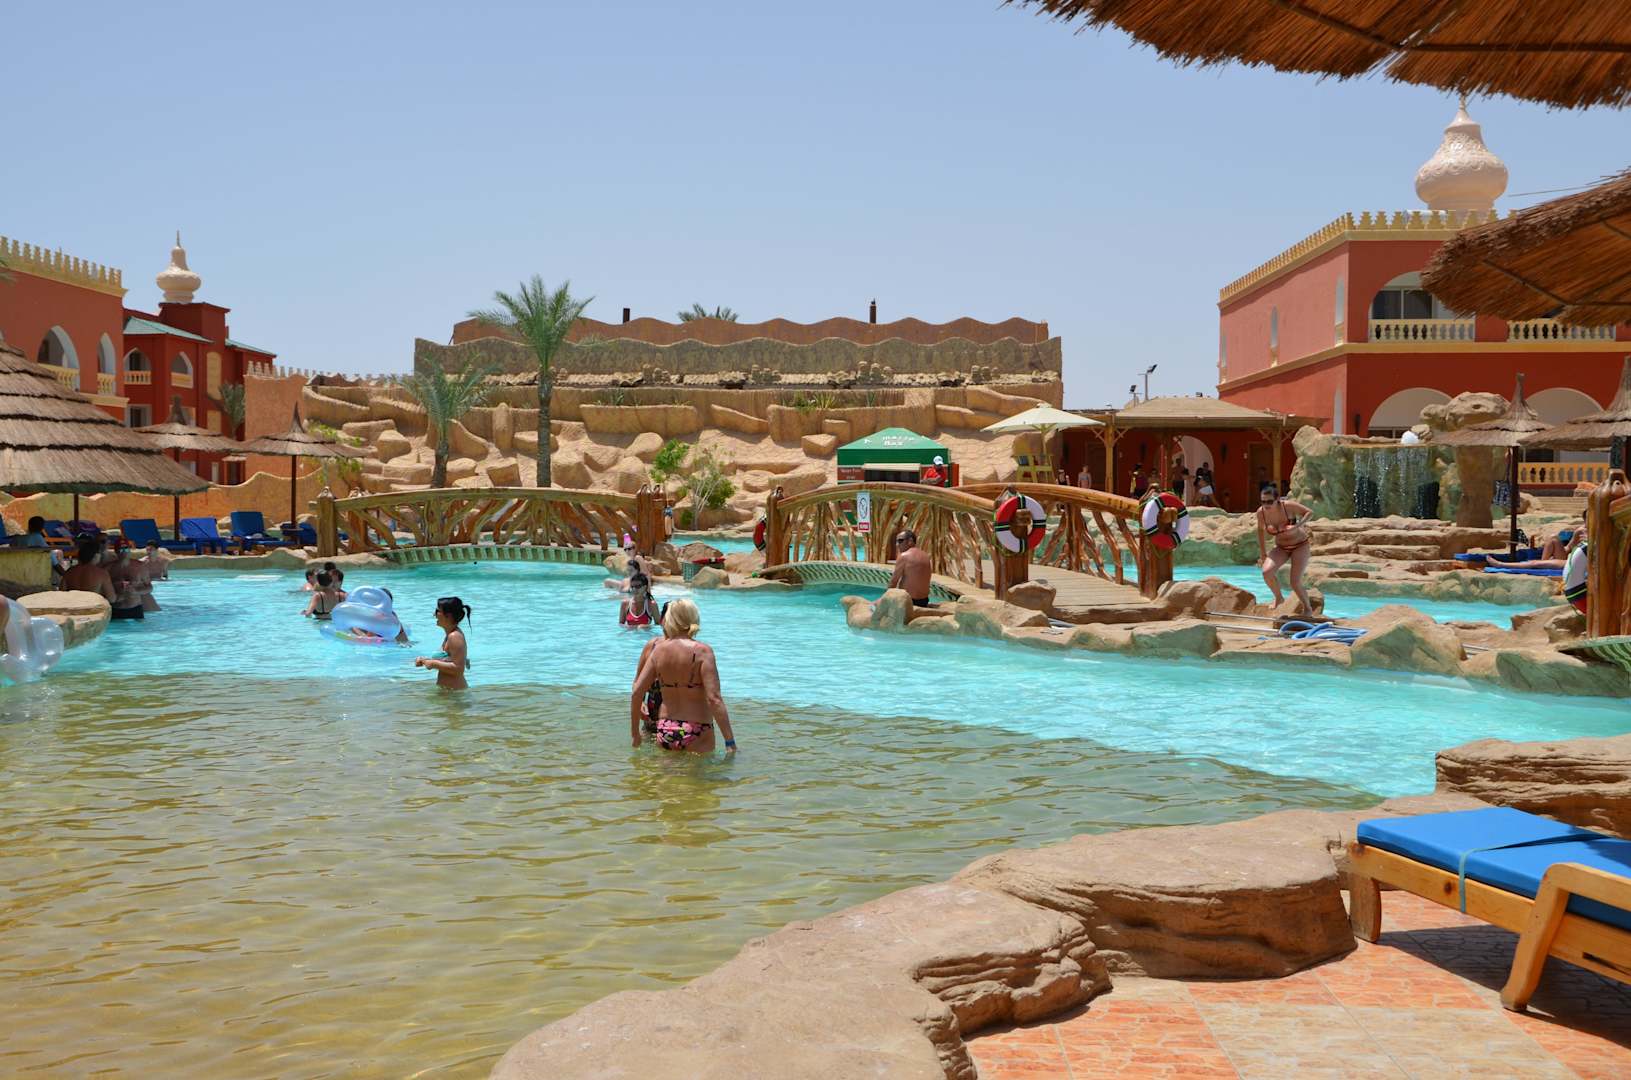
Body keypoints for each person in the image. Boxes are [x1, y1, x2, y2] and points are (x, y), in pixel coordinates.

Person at [629, 598, 734, 754]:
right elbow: (714, 699)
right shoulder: (703, 651)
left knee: (666, 770)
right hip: (697, 727)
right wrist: (729, 741)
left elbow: (637, 692)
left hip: (665, 728)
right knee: (700, 770)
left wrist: (635, 734)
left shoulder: (658, 651)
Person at [1257, 484, 1315, 616]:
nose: (1266, 505)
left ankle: (1308, 608)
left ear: (1277, 499)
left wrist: (1297, 526)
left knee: (1294, 582)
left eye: (1269, 501)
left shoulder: (1287, 506)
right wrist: (1263, 553)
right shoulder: (1261, 513)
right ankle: (1279, 597)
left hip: (1300, 545)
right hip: (1281, 547)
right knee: (1266, 572)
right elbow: (1260, 531)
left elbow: (1309, 512)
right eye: (1263, 501)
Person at [415, 596, 471, 690]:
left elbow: (458, 669)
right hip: (449, 692)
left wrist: (433, 663)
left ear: (448, 616)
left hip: (455, 694)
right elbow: (448, 661)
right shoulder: (449, 635)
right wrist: (425, 660)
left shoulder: (455, 636)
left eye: (437, 611)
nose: (434, 614)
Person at [61, 538, 116, 605]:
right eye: (99, 553)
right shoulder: (101, 573)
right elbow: (111, 599)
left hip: (73, 608)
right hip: (92, 609)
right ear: (96, 555)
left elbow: (61, 595)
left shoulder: (69, 572)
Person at [887, 528, 934, 607]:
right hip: (924, 601)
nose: (897, 545)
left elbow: (893, 582)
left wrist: (885, 598)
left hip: (908, 601)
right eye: (896, 541)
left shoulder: (904, 556)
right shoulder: (926, 556)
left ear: (910, 541)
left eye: (900, 541)